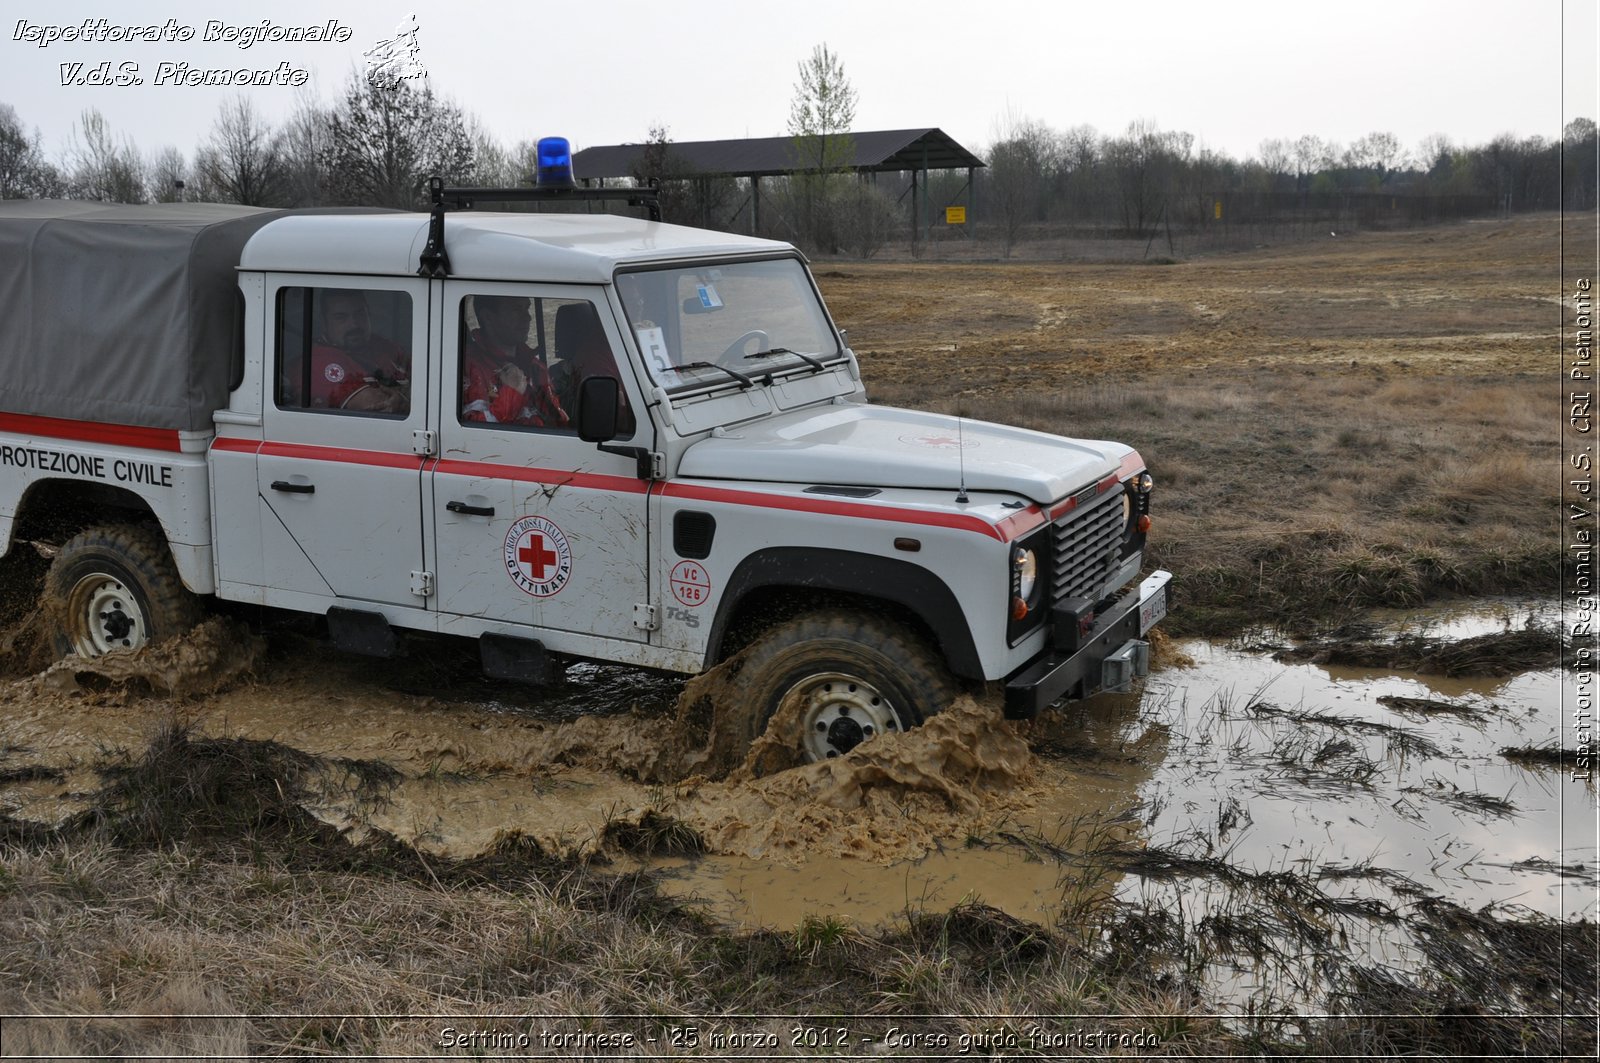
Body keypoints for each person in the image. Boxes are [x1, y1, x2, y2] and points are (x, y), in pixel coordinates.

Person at [461, 295, 568, 428]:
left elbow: (560, 425)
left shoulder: (535, 367)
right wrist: (512, 391)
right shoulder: (469, 367)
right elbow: (474, 435)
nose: (527, 317)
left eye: (527, 308)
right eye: (516, 310)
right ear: (488, 317)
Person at [309, 289, 411, 413]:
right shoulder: (317, 360)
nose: (354, 325)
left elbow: (429, 382)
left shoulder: (384, 346)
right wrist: (408, 399)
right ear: (324, 322)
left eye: (360, 314)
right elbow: (376, 403)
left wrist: (404, 400)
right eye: (341, 317)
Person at [550, 302, 635, 436]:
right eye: (631, 301)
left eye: (640, 300)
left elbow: (669, 378)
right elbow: (610, 417)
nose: (639, 305)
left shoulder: (631, 342)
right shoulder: (595, 356)